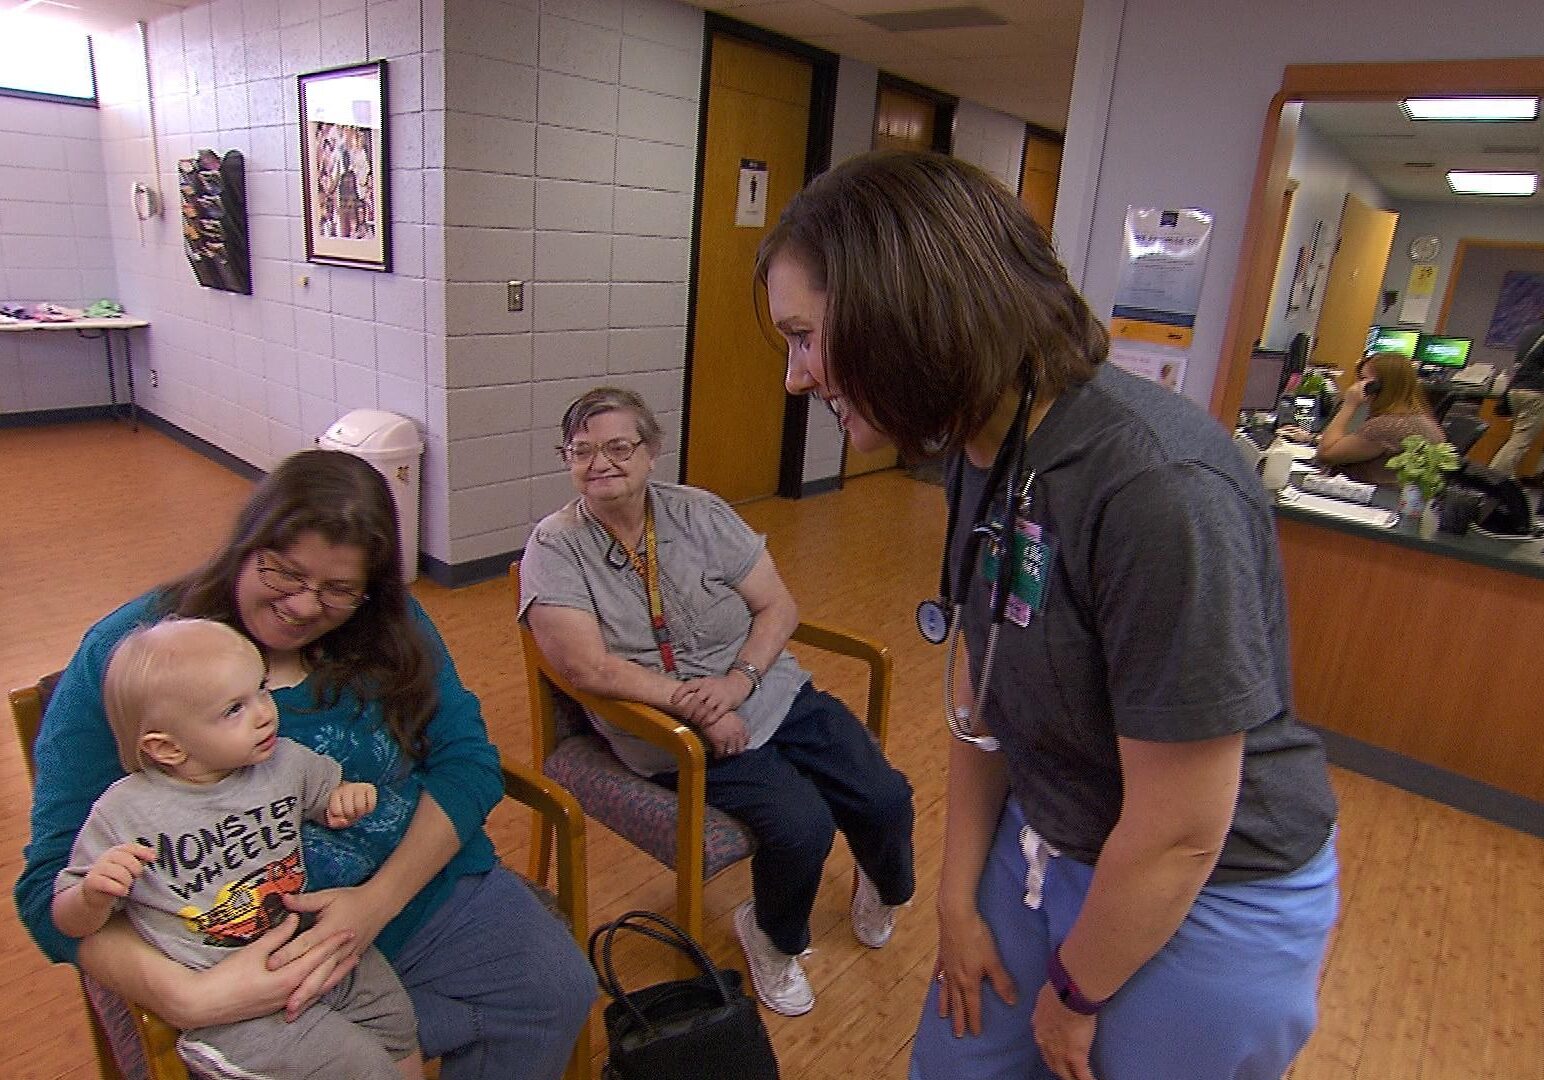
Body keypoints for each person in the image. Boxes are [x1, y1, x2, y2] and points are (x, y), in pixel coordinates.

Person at [756, 150, 1338, 1080]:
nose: (795, 375)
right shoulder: (985, 446)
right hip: (1053, 831)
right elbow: (983, 696)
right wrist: (954, 897)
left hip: (1207, 889)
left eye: (806, 336)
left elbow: (1185, 825)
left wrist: (1076, 997)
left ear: (907, 311)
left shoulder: (1155, 485)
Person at [17, 449, 596, 1080]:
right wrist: (188, 998)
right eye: (283, 574)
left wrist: (375, 903)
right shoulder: (137, 658)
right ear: (247, 544)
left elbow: (467, 764)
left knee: (555, 988)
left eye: (339, 589)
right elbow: (51, 881)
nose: (302, 605)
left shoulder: (384, 624)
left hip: (410, 894)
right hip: (246, 957)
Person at [519, 386, 916, 1018]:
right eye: (582, 450)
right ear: (567, 460)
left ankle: (883, 878)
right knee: (801, 825)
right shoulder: (555, 545)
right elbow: (585, 666)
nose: (601, 462)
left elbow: (777, 605)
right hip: (670, 729)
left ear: (651, 452)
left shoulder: (698, 511)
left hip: (767, 689)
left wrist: (739, 682)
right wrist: (698, 707)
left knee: (886, 795)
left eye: (619, 446)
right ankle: (772, 936)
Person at [55, 619, 421, 1080]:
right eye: (233, 709)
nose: (265, 713)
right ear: (167, 748)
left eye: (262, 690)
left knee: (397, 1023)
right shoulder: (124, 813)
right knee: (361, 1067)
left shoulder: (284, 761)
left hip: (303, 946)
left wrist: (345, 799)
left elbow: (327, 797)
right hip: (232, 1009)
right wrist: (92, 894)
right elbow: (68, 920)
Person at [1280, 350, 1443, 485]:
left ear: (1379, 386)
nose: (1357, 386)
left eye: (1364, 380)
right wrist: (1312, 438)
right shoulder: (1418, 418)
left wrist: (1349, 404)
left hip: (1364, 500)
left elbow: (1326, 455)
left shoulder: (1387, 425)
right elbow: (1361, 445)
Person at [1489, 319, 1544, 478]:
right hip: (1535, 394)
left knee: (1516, 438)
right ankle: (1495, 479)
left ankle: (1507, 479)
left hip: (1516, 390)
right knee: (1520, 442)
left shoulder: (1531, 330)